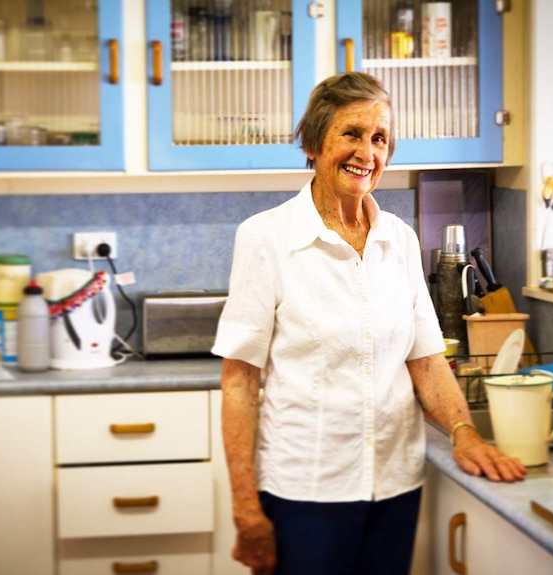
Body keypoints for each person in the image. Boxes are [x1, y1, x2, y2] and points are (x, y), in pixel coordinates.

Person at [211, 71, 526, 575]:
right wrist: (245, 506)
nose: (367, 152)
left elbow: (425, 359)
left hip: (396, 485)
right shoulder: (265, 238)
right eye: (352, 134)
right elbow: (240, 383)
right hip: (305, 489)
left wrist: (465, 431)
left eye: (379, 139)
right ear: (313, 144)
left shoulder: (397, 239)